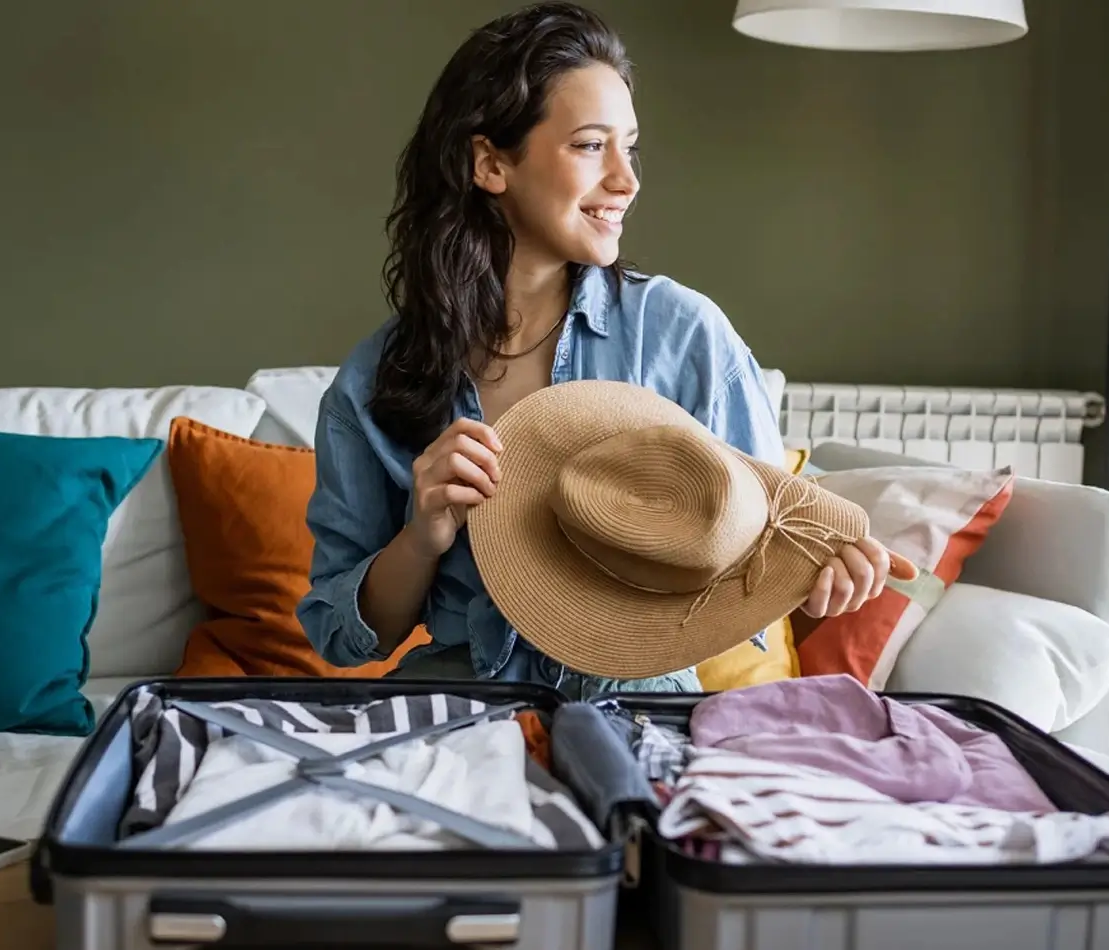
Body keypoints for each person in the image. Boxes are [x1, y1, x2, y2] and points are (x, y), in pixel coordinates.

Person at [297, 2, 916, 700]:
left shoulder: (684, 333)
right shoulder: (376, 380)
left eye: (631, 148)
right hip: (457, 707)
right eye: (592, 146)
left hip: (646, 712)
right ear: (491, 162)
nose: (627, 179)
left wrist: (818, 582)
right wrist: (423, 533)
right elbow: (345, 637)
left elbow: (770, 547)